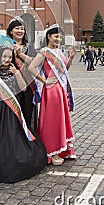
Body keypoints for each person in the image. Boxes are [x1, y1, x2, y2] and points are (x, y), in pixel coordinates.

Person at [0, 46, 47, 183]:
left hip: (13, 109)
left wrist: (16, 73)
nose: (7, 59)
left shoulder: (14, 71)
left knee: (13, 135)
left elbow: (24, 88)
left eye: (9, 57)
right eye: (4, 56)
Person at [29, 24, 76, 166]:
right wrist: (45, 81)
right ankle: (53, 152)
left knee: (60, 119)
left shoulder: (58, 52)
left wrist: (71, 58)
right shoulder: (44, 52)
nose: (58, 39)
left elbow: (64, 70)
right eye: (56, 36)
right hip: (51, 91)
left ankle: (62, 149)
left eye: (60, 37)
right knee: (52, 121)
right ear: (49, 37)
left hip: (60, 90)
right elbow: (31, 67)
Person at [6, 16, 39, 129]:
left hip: (27, 85)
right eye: (17, 28)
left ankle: (28, 140)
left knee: (27, 114)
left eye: (22, 29)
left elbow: (35, 63)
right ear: (11, 31)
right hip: (11, 85)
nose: (20, 31)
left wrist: (20, 55)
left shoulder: (29, 47)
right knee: (12, 116)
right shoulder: (5, 45)